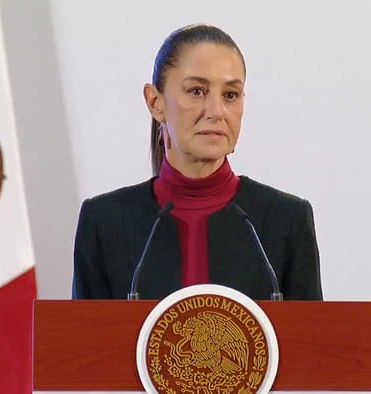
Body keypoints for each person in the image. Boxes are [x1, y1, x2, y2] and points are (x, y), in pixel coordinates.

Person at [72, 24, 322, 301]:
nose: (216, 112)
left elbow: (311, 342)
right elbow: (84, 341)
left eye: (230, 95)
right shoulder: (104, 222)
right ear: (155, 102)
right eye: (196, 91)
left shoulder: (286, 220)